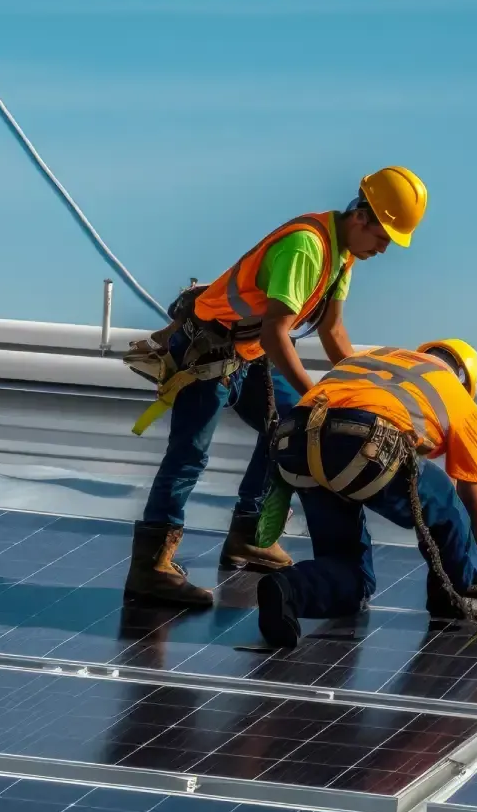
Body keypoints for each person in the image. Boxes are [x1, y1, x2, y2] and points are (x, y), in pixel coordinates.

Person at [123, 166, 430, 609]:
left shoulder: (342, 255)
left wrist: (362, 391)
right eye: (384, 237)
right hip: (207, 354)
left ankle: (248, 536)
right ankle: (150, 566)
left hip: (245, 356)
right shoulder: (307, 247)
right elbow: (275, 333)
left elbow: (333, 333)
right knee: (189, 455)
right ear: (362, 216)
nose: (384, 249)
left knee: (287, 426)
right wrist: (315, 396)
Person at [254, 339, 477, 647]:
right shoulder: (458, 398)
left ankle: (289, 590)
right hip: (362, 440)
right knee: (447, 504)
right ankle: (460, 595)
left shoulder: (370, 357)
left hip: (297, 442)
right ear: (466, 381)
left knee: (348, 572)